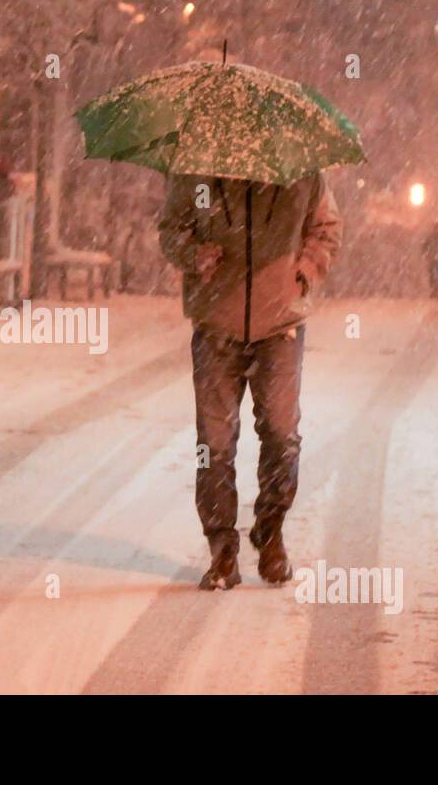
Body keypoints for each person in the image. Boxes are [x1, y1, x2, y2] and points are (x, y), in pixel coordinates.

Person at [159, 172, 341, 590]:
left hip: (280, 327)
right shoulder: (198, 173)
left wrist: (306, 270)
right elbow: (171, 228)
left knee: (281, 434)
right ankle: (222, 550)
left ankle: (270, 529)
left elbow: (327, 229)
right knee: (214, 444)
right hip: (215, 325)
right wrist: (192, 253)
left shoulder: (302, 171)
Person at [421, 220, 438, 298]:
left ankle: (437, 290)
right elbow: (424, 246)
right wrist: (425, 253)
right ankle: (435, 289)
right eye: (436, 228)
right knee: (432, 275)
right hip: (432, 258)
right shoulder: (430, 237)